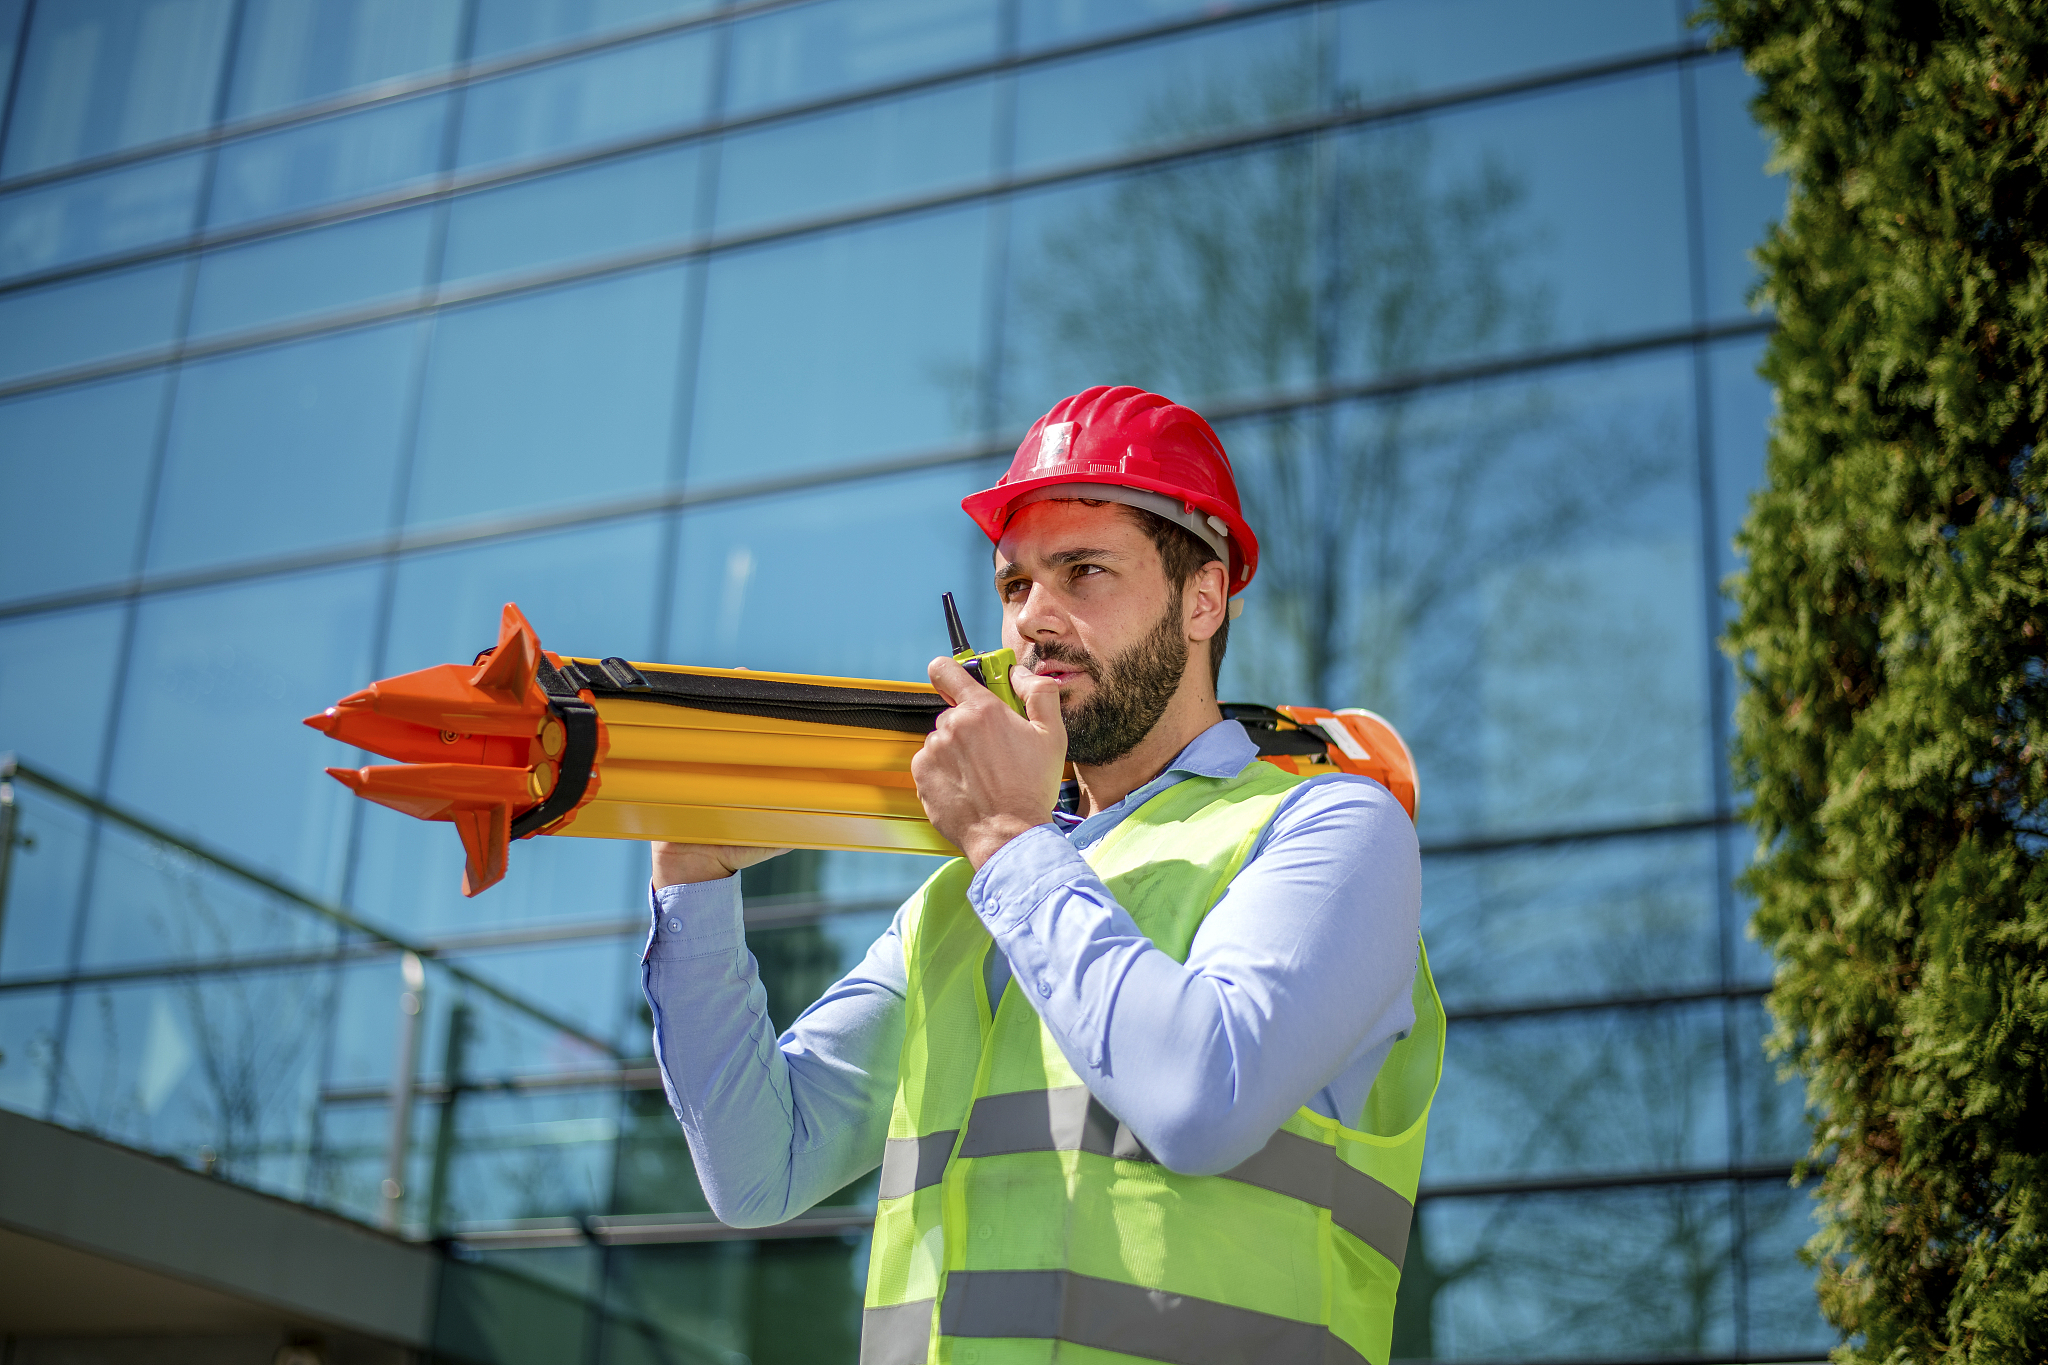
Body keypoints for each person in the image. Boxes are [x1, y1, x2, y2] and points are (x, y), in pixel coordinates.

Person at [642, 386, 1441, 1365]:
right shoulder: (964, 898)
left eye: (1084, 572)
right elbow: (760, 1169)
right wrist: (694, 883)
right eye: (1015, 584)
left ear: (1203, 597)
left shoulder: (1326, 828)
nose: (1034, 620)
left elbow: (1205, 1099)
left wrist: (1008, 837)